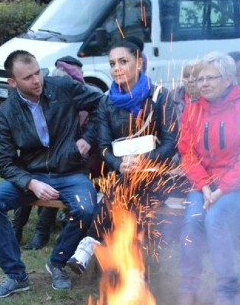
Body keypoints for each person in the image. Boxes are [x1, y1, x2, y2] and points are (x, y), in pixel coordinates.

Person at [0, 50, 104, 298]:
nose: (36, 80)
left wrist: (88, 138)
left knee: (86, 209)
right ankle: (16, 276)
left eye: (38, 73)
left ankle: (57, 262)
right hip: (31, 174)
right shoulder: (7, 112)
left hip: (70, 171)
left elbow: (102, 103)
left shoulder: (63, 87)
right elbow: (4, 162)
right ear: (12, 83)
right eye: (27, 77)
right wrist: (30, 183)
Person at [66, 38, 180, 273]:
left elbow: (171, 142)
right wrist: (120, 164)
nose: (116, 68)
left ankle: (90, 243)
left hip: (158, 174)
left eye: (123, 61)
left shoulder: (160, 96)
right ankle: (136, 271)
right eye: (112, 63)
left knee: (126, 191)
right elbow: (104, 145)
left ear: (139, 63)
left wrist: (144, 161)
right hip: (125, 174)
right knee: (129, 193)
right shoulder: (107, 101)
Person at [177, 52, 240, 305]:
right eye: (200, 78)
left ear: (227, 79)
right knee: (192, 220)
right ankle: (188, 287)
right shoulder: (192, 110)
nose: (203, 83)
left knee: (215, 219)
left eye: (210, 77)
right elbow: (187, 153)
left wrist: (222, 189)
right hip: (203, 184)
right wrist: (204, 187)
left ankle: (226, 289)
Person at [12, 55, 89, 249]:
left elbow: (93, 129)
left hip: (77, 162)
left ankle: (42, 231)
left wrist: (85, 141)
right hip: (44, 164)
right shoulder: (35, 104)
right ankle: (17, 229)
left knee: (53, 182)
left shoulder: (81, 103)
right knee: (26, 179)